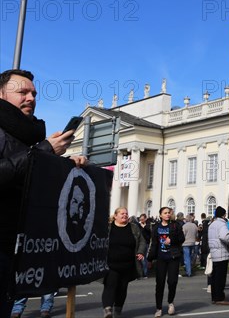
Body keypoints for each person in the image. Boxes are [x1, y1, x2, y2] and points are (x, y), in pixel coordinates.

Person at [0, 69, 86, 316]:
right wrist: (44, 151)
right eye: (22, 92)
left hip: (15, 245)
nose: (31, 98)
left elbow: (30, 174)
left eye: (34, 93)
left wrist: (68, 165)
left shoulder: (28, 136)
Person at [102, 207, 146, 318]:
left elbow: (142, 241)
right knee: (110, 285)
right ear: (115, 216)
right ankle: (107, 309)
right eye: (122, 213)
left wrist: (140, 252)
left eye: (126, 213)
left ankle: (118, 308)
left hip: (128, 264)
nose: (125, 215)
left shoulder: (133, 227)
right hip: (111, 264)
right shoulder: (108, 228)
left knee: (122, 287)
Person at [147, 207, 185, 317]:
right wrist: (149, 259)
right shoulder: (156, 227)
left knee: (172, 282)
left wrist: (171, 241)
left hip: (173, 257)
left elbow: (182, 238)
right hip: (161, 258)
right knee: (160, 283)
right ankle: (158, 308)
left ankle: (170, 303)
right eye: (165, 213)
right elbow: (154, 244)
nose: (168, 214)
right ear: (160, 215)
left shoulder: (175, 225)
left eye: (169, 213)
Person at [208, 206, 229, 305]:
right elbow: (224, 237)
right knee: (220, 277)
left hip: (214, 251)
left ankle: (215, 296)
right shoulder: (222, 224)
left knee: (215, 277)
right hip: (221, 252)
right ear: (223, 214)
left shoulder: (212, 224)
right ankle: (219, 297)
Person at [137, 213, 153, 278]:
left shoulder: (148, 225)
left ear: (145, 219)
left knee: (144, 259)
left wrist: (144, 227)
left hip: (146, 243)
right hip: (139, 243)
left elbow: (150, 232)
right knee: (139, 258)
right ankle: (140, 273)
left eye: (143, 219)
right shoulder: (138, 225)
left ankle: (145, 273)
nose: (141, 220)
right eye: (141, 219)